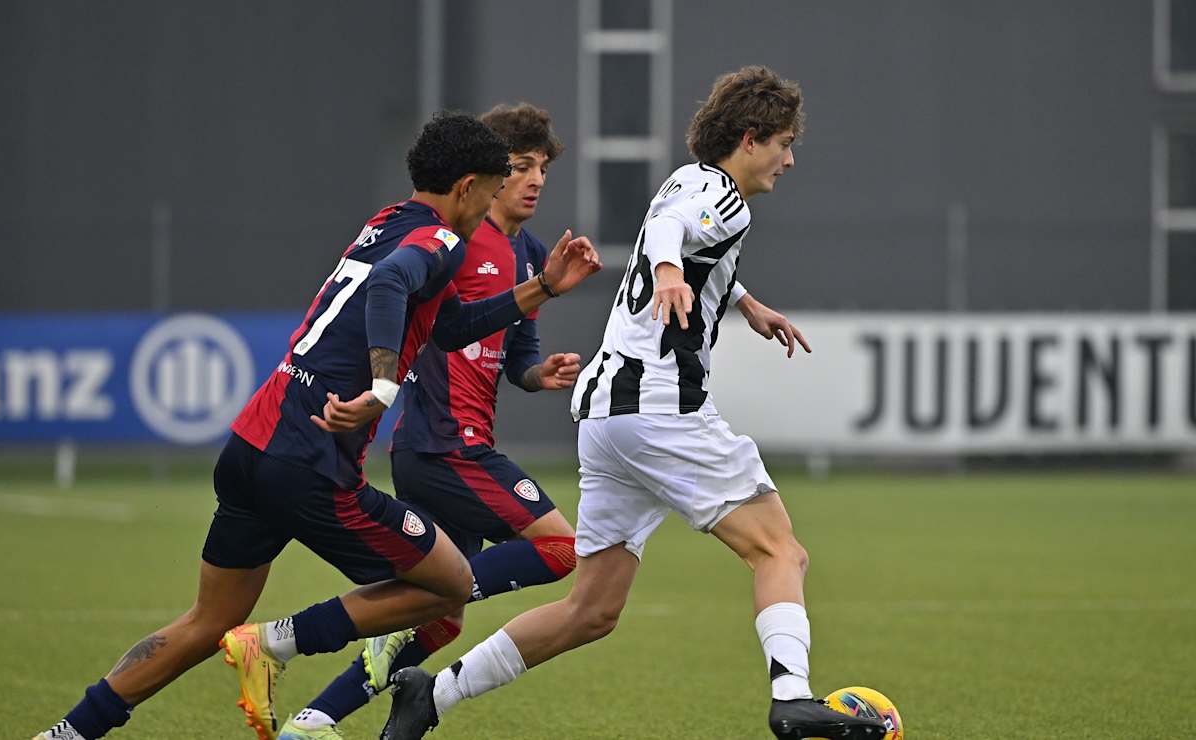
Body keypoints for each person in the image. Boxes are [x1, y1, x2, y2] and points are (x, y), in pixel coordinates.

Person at [31, 112, 601, 740]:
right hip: (311, 460)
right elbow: (389, 285)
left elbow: (446, 327)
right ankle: (276, 642)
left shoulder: (386, 221)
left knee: (204, 621)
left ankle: (68, 733)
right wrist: (383, 388)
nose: (497, 199)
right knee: (452, 585)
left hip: (254, 440)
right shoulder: (440, 241)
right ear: (466, 186)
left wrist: (542, 287)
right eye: (495, 186)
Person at [380, 68, 888, 740]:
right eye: (784, 144)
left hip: (605, 417)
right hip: (659, 411)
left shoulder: (691, 179)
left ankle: (431, 696)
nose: (789, 160)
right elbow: (673, 239)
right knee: (780, 552)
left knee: (590, 610)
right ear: (749, 137)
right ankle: (791, 698)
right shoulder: (720, 197)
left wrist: (747, 304)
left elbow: (683, 237)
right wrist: (674, 273)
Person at [275, 103, 580, 740]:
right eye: (519, 167)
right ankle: (295, 634)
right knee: (557, 548)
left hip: (450, 446)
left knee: (438, 614)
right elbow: (418, 309)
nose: (532, 181)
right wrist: (384, 378)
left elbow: (515, 352)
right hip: (445, 446)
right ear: (482, 177)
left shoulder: (527, 252)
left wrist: (538, 373)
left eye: (542, 169)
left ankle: (314, 721)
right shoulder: (452, 241)